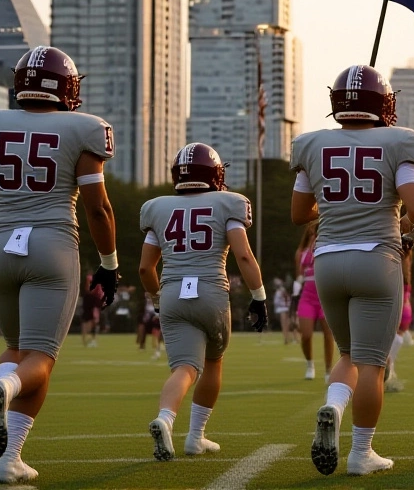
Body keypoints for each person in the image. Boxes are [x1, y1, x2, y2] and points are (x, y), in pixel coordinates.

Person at [0, 45, 119, 484]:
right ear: (67, 87)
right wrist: (109, 262)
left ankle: (7, 457)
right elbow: (98, 209)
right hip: (52, 246)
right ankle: (6, 399)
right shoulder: (83, 129)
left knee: (16, 349)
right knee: (39, 358)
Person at [290, 65, 414, 477]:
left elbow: (301, 214)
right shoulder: (399, 141)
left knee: (348, 354)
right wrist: (406, 223)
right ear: (384, 103)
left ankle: (334, 407)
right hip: (376, 258)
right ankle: (361, 453)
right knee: (372, 363)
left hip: (327, 261)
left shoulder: (311, 144)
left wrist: (338, 206)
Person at [138, 142, 267, 461]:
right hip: (210, 290)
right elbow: (243, 255)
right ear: (215, 174)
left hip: (171, 293)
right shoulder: (229, 203)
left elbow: (144, 268)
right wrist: (258, 297)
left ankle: (165, 418)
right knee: (212, 362)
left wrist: (156, 298)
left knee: (184, 368)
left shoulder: (157, 207)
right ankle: (196, 436)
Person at [294, 223, 334, 381]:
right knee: (306, 334)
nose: (314, 233)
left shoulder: (328, 245)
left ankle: (329, 370)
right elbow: (299, 274)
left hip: (326, 295)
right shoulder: (301, 251)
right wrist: (295, 290)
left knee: (328, 334)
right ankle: (310, 364)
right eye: (311, 231)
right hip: (308, 296)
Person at [384, 238, 414, 392]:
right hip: (405, 302)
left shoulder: (393, 259)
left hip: (397, 301)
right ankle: (391, 368)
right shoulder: (407, 262)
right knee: (398, 336)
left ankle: (388, 366)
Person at [274, 280, 292, 345]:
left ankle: (286, 338)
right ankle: (288, 337)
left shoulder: (278, 292)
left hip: (282, 309)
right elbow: (289, 301)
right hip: (286, 308)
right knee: (287, 324)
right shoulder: (285, 292)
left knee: (284, 324)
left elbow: (276, 302)